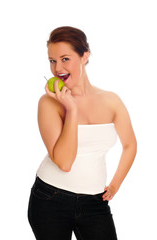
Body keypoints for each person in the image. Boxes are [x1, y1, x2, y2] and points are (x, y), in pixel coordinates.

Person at [27, 26, 137, 240]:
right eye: (52, 60)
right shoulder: (49, 103)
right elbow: (64, 162)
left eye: (65, 59)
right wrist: (72, 109)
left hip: (95, 202)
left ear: (85, 56)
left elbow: (130, 145)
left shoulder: (111, 100)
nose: (57, 67)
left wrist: (115, 184)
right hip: (50, 199)